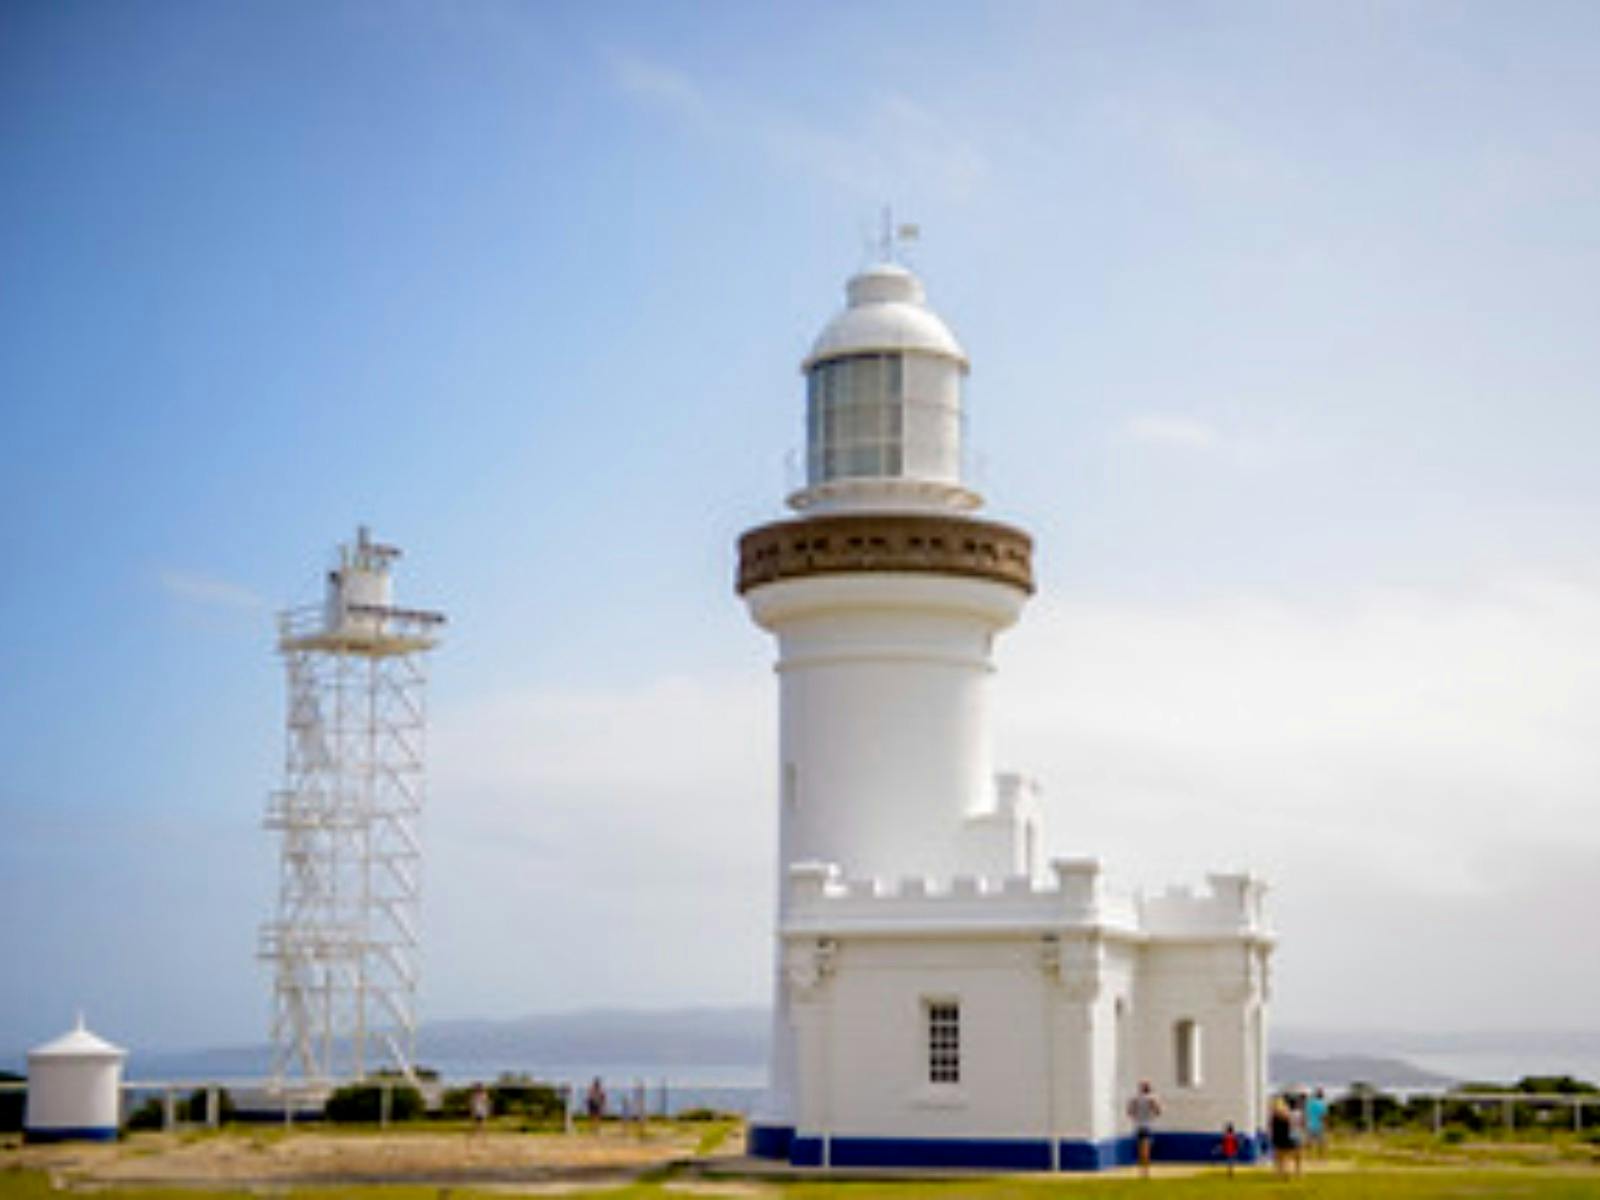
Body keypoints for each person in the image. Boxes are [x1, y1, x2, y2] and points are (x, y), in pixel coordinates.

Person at [1126, 1080, 1162, 1177]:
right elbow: (1158, 1111)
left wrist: (1136, 1116)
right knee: (1146, 1148)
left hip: (1138, 1125)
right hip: (1147, 1125)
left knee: (1140, 1147)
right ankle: (1146, 1170)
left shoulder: (1135, 1099)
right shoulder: (1151, 1098)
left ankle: (1141, 1169)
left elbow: (1130, 1111)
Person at [1269, 1096, 1294, 1178]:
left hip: (1277, 1138)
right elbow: (1290, 1126)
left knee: (1278, 1157)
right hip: (1286, 1136)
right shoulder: (1287, 1115)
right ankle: (1287, 1171)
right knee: (1286, 1157)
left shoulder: (1274, 1116)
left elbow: (1271, 1128)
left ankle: (1278, 1172)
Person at [1305, 1087, 1329, 1158]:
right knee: (1321, 1143)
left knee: (1309, 1142)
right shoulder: (1322, 1104)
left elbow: (1307, 1114)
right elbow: (1323, 1116)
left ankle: (1308, 1156)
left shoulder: (1309, 1103)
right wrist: (1326, 1125)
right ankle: (1320, 1157)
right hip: (1319, 1125)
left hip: (1309, 1125)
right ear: (1321, 1095)